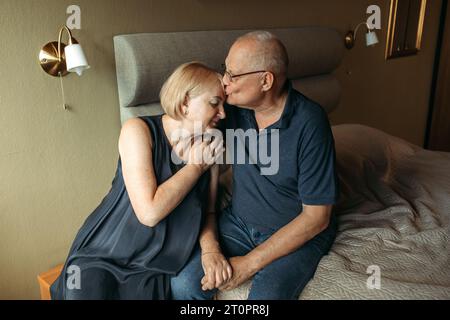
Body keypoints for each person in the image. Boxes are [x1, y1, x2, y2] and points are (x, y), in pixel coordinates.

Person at [171, 31, 340, 300]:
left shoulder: (310, 122)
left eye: (233, 75)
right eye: (224, 70)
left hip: (295, 233)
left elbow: (317, 218)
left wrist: (248, 264)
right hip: (238, 223)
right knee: (182, 284)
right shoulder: (230, 110)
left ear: (266, 80)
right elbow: (179, 116)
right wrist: (211, 248)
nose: (224, 82)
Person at [50, 62, 231, 299]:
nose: (223, 113)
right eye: (215, 103)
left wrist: (210, 249)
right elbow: (149, 213)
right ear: (185, 103)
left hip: (157, 264)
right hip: (108, 251)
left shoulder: (211, 147)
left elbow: (208, 212)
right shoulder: (137, 130)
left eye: (224, 104)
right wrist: (195, 167)